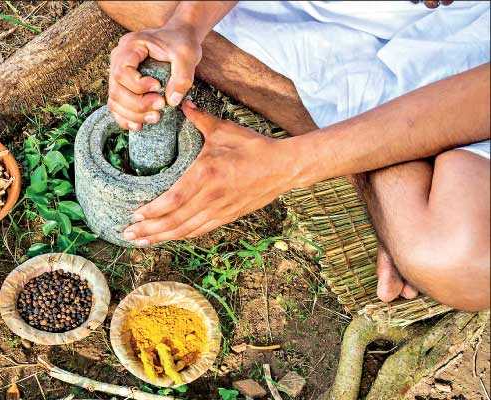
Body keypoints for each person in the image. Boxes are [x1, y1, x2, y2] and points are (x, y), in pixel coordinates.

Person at [98, 1, 490, 311]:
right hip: (325, 25)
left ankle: (370, 151)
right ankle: (374, 154)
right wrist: (186, 24)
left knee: (461, 262)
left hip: (470, 44)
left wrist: (286, 166)